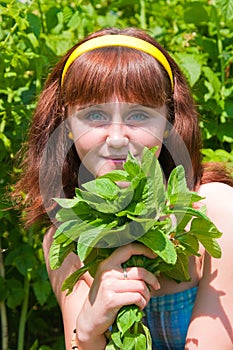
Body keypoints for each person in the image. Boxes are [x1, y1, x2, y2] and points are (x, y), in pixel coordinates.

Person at [13, 27, 233, 349]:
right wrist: (87, 332)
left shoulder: (216, 211)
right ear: (67, 124)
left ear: (168, 122)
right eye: (95, 115)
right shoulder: (65, 236)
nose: (116, 138)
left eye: (139, 115)